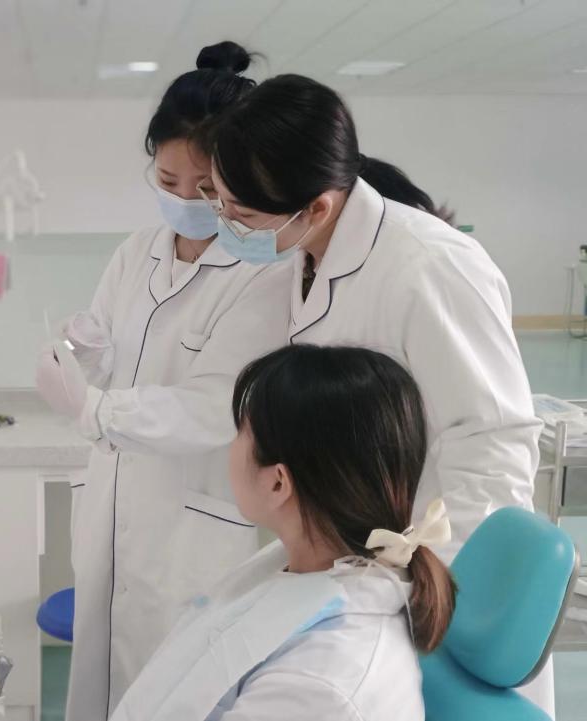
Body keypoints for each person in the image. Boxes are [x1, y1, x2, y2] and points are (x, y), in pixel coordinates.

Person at [35, 42, 292, 720]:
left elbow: (217, 405)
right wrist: (81, 350)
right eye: (168, 179)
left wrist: (98, 410)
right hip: (113, 514)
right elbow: (105, 343)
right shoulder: (136, 252)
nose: (182, 200)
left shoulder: (262, 273)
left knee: (177, 694)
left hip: (192, 534)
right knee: (102, 687)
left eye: (203, 188)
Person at [202, 74, 539, 564]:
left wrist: (454, 583)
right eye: (220, 203)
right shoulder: (306, 254)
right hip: (351, 549)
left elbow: (490, 443)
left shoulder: (431, 267)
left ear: (317, 207)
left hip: (428, 557)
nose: (228, 226)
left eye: (243, 216)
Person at [111, 344, 456, 721]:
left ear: (278, 482)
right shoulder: (306, 563)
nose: (231, 447)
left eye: (241, 432)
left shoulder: (322, 686)